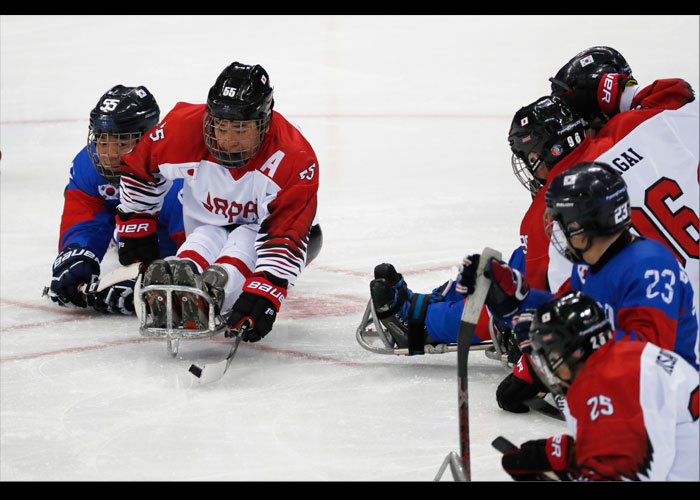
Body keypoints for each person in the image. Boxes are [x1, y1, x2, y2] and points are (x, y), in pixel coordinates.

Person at [458, 161, 698, 415]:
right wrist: (512, 295)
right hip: (625, 402)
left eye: (565, 223)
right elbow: (572, 313)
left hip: (671, 412)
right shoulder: (591, 262)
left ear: (590, 224)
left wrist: (562, 337)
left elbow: (650, 360)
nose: (558, 231)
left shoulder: (650, 269)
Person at [115, 61, 322, 343]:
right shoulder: (184, 127)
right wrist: (136, 221)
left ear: (265, 121)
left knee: (243, 244)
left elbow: (286, 233)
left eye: (240, 129)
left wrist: (267, 289)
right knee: (202, 238)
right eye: (221, 126)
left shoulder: (293, 155)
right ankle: (176, 280)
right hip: (207, 223)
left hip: (274, 230)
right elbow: (142, 166)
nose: (227, 140)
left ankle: (216, 290)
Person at [499, 291, 699, 481]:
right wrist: (565, 455)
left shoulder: (607, 387)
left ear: (575, 352)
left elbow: (623, 473)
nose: (548, 369)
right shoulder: (624, 355)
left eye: (552, 356)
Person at [48, 85, 185, 315]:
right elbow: (84, 216)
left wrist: (149, 277)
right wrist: (78, 254)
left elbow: (197, 251)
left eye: (121, 143)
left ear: (149, 139)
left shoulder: (177, 177)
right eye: (103, 141)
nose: (109, 154)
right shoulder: (88, 164)